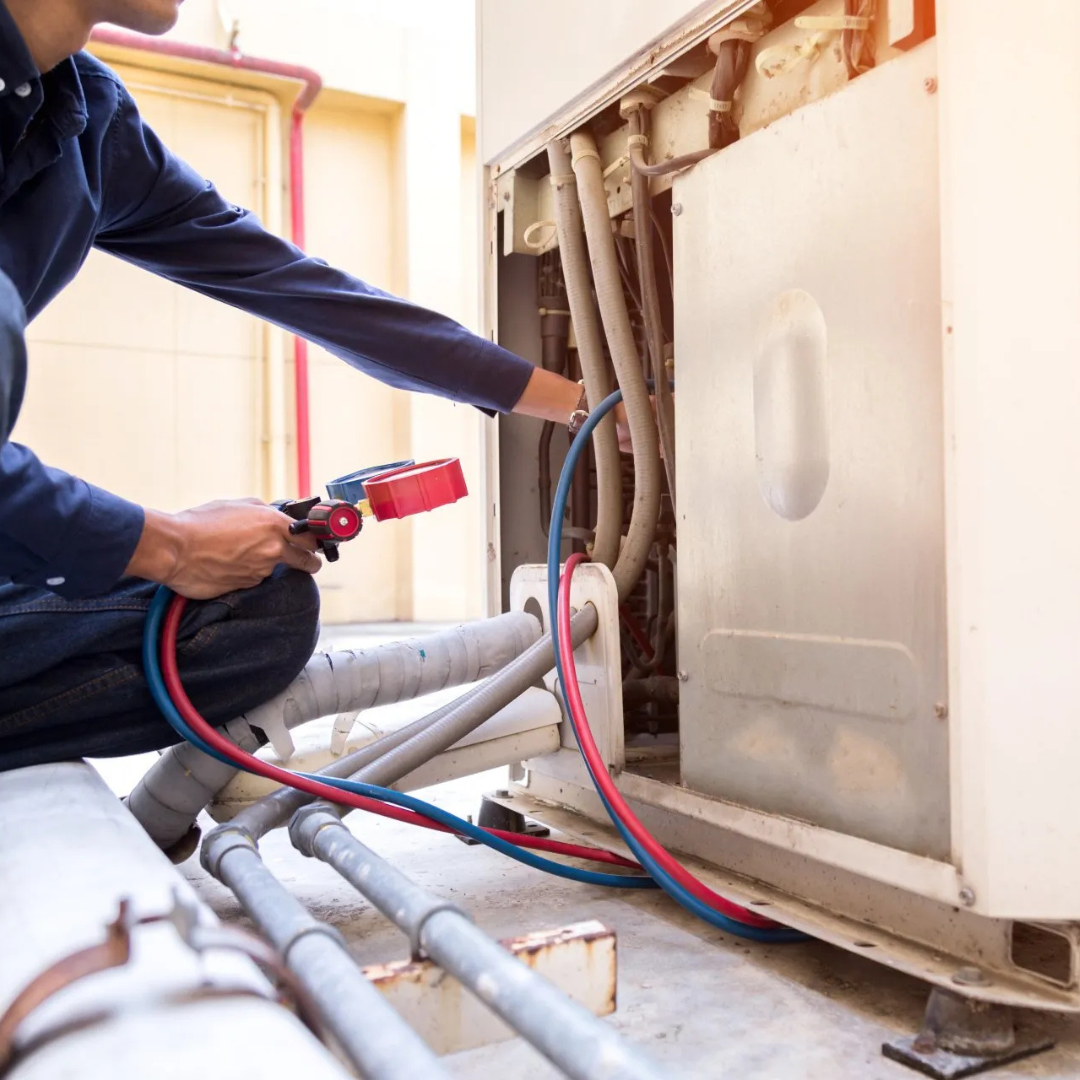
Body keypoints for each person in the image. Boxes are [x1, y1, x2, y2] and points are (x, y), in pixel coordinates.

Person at [0, 0, 617, 771]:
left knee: (258, 606)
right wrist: (169, 544)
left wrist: (580, 404)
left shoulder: (88, 120)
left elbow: (303, 290)